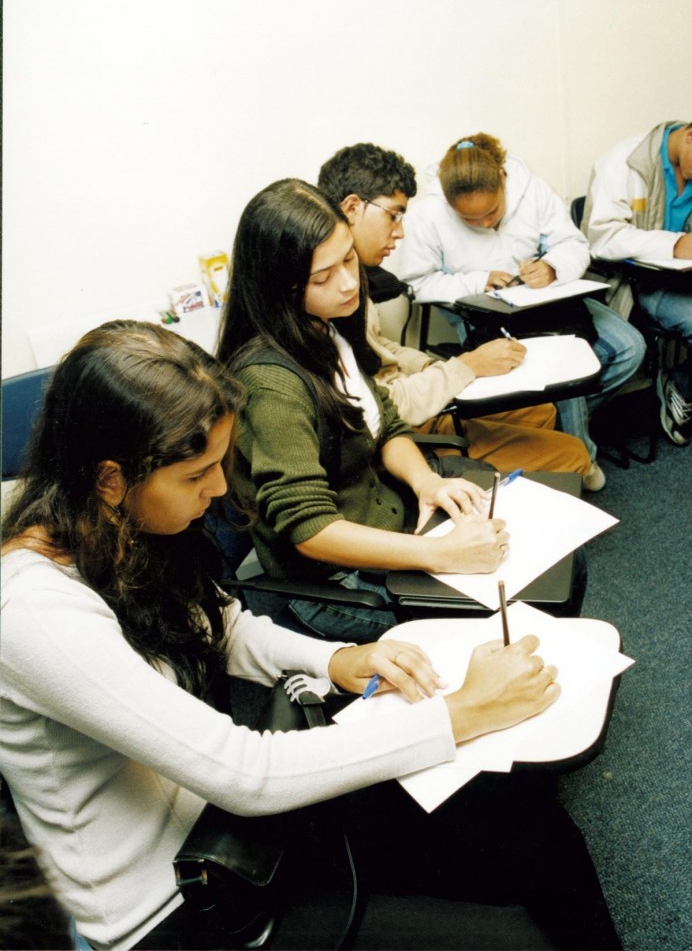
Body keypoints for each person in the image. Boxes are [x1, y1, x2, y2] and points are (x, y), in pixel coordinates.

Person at [0, 320, 621, 951]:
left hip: (240, 826)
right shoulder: (36, 612)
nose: (218, 489)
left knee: (533, 833)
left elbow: (226, 629)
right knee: (509, 941)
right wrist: (462, 713)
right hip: (178, 904)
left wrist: (341, 658)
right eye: (198, 475)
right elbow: (245, 771)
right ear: (109, 478)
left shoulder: (121, 528)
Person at [217, 179, 513, 644]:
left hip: (388, 526)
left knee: (510, 566)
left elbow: (385, 421)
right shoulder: (271, 382)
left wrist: (426, 482)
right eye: (322, 277)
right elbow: (309, 528)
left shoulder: (327, 328)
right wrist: (437, 555)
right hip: (336, 584)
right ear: (279, 287)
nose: (350, 282)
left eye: (349, 258)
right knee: (495, 618)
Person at [317, 142, 593, 479]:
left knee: (540, 410)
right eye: (393, 215)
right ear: (351, 208)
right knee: (573, 455)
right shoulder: (328, 290)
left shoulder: (352, 274)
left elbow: (378, 348)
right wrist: (465, 367)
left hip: (407, 401)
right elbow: (377, 407)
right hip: (398, 433)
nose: (400, 231)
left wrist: (434, 365)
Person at [396, 132, 648, 489]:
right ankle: (580, 454)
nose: (485, 223)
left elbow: (572, 244)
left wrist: (552, 267)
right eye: (471, 220)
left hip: (551, 299)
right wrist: (478, 281)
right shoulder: (428, 214)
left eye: (492, 212)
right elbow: (417, 283)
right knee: (560, 368)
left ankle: (557, 427)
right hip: (483, 312)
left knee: (630, 347)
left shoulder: (533, 190)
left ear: (503, 180)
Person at [582, 119, 692, 445]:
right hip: (635, 283)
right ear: (689, 136)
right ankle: (684, 387)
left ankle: (681, 381)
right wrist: (672, 244)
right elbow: (602, 239)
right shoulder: (624, 162)